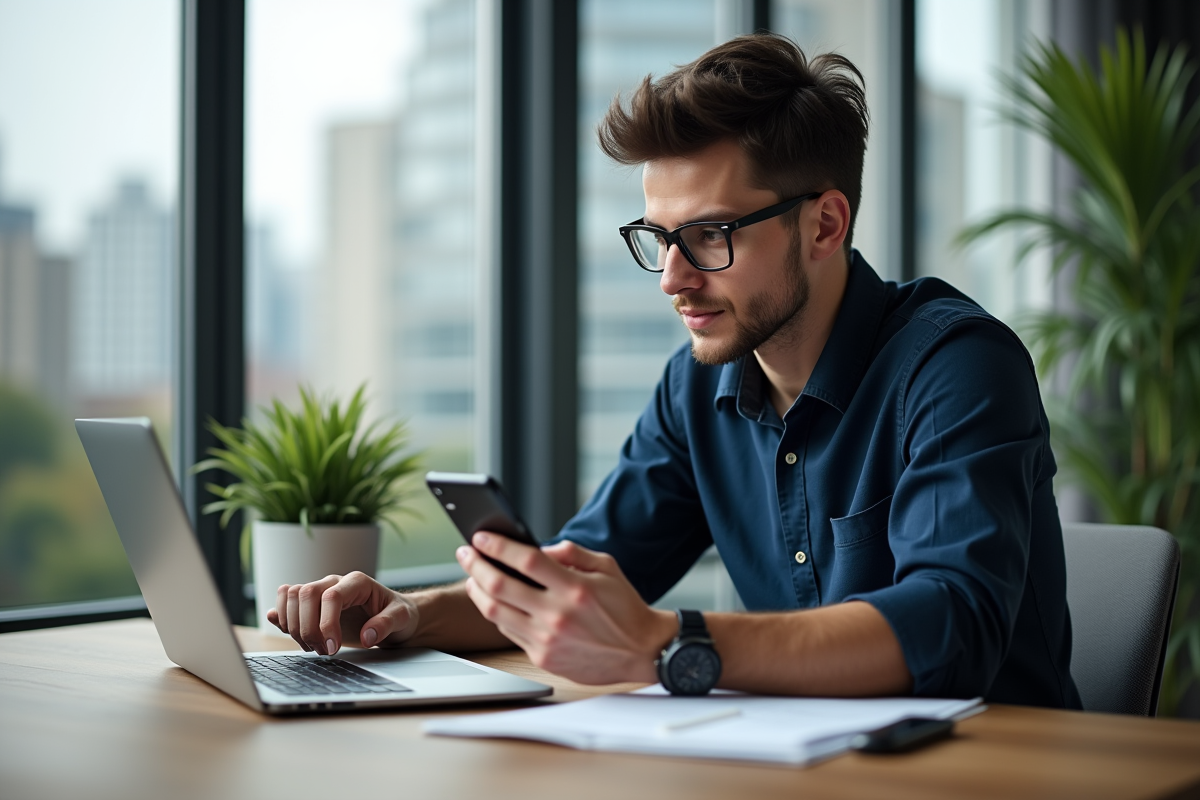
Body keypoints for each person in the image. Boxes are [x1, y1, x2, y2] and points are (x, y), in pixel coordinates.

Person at [270, 33, 1081, 708]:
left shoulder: (958, 366)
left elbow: (952, 624)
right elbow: (587, 576)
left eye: (711, 235)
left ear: (825, 223)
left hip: (992, 770)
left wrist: (670, 642)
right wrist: (406, 615)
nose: (673, 278)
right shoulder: (698, 383)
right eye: (659, 237)